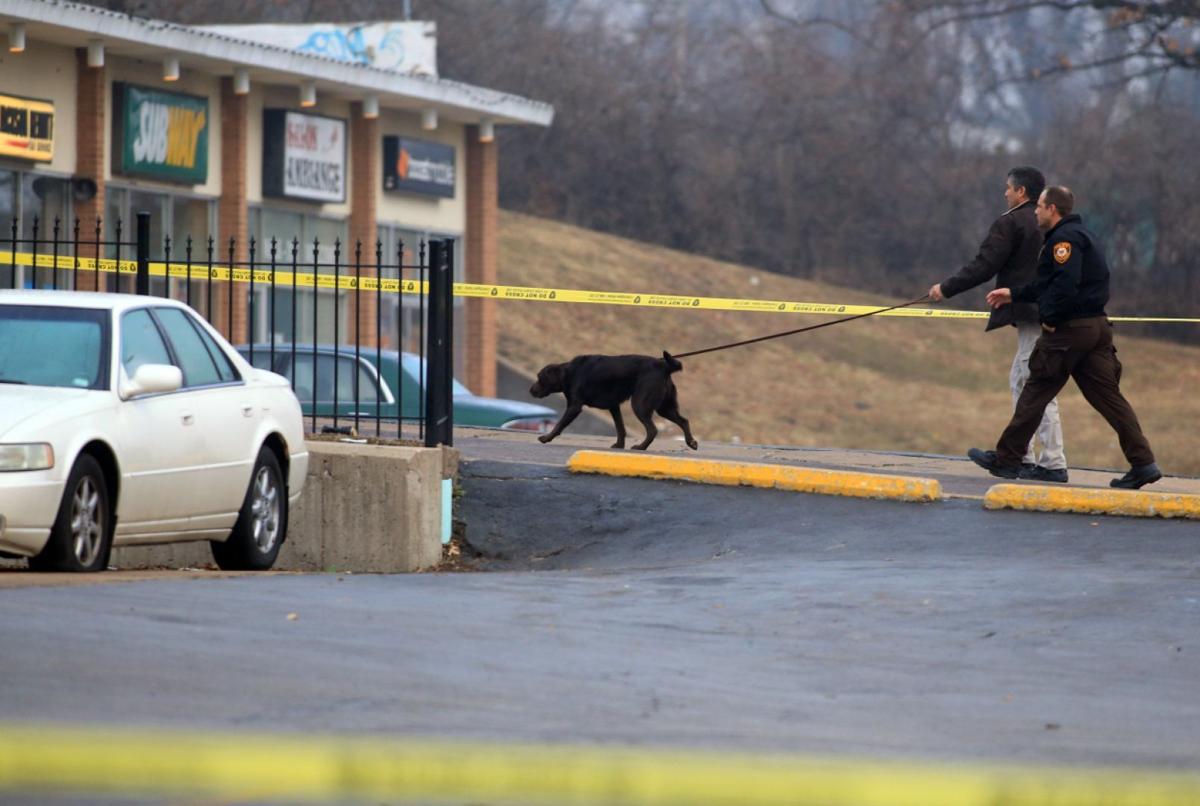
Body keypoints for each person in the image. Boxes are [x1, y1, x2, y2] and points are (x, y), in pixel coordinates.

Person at [967, 186, 1161, 490]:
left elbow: (1065, 286)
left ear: (1053, 209)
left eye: (1040, 206)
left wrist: (1051, 320)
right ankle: (1144, 463)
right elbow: (1050, 283)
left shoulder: (1063, 241)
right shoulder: (1085, 235)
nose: (1035, 211)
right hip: (1096, 328)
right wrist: (1014, 294)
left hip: (1070, 331)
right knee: (1110, 400)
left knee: (1035, 390)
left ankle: (1007, 459)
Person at [929, 167, 1068, 482]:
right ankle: (1026, 457)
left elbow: (984, 265)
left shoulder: (1012, 222)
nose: (1004, 193)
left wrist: (946, 288)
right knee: (1023, 380)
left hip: (1035, 316)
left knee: (1034, 384)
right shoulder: (1053, 224)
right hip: (1053, 313)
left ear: (1021, 192)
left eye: (1008, 188)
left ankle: (1051, 463)